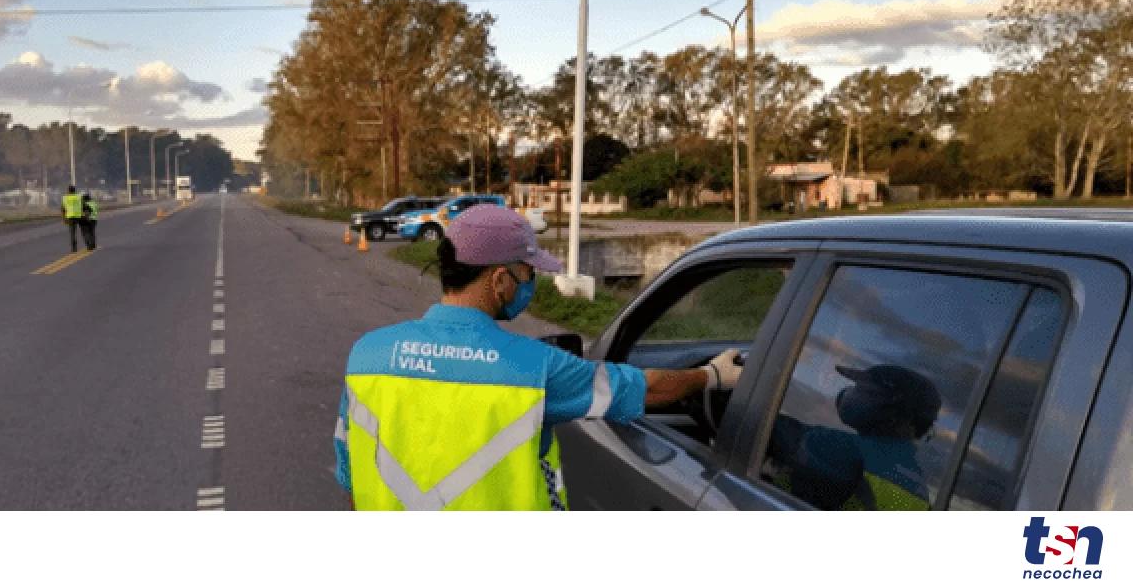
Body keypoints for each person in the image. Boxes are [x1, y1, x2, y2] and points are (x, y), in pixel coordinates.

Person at [334, 205, 743, 510]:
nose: (531, 284)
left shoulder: (366, 355)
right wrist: (711, 376)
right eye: (528, 273)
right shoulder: (534, 367)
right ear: (499, 280)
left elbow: (352, 473)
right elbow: (644, 389)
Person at [765, 364, 942, 510]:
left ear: (892, 411)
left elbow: (761, 424)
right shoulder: (919, 484)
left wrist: (738, 379)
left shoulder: (845, 449)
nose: (847, 393)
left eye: (862, 390)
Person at [60, 185, 84, 253]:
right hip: (79, 216)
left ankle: (74, 248)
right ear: (74, 190)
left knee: (72, 233)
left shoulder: (65, 198)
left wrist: (64, 218)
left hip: (70, 217)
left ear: (68, 191)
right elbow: (83, 206)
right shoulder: (79, 197)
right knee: (84, 231)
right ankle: (88, 243)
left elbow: (63, 209)